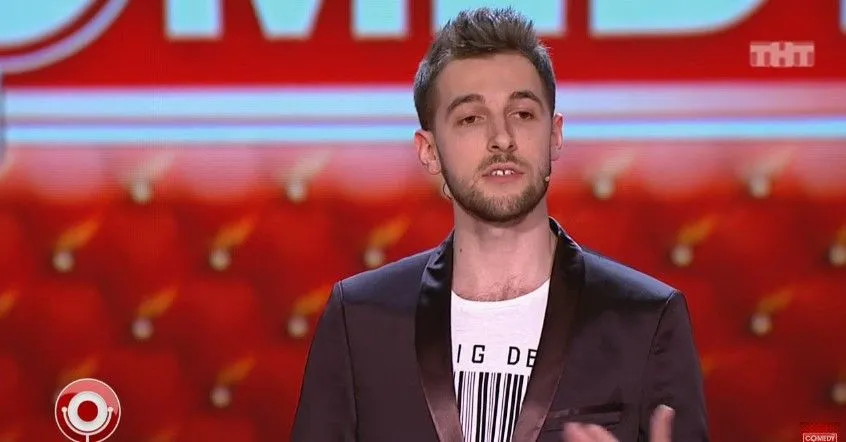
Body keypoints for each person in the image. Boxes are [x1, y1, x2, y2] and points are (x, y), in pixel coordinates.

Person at [291, 6, 709, 442]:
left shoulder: (646, 319)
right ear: (429, 151)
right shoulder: (360, 320)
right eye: (471, 118)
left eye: (523, 113)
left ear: (555, 135)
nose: (502, 138)